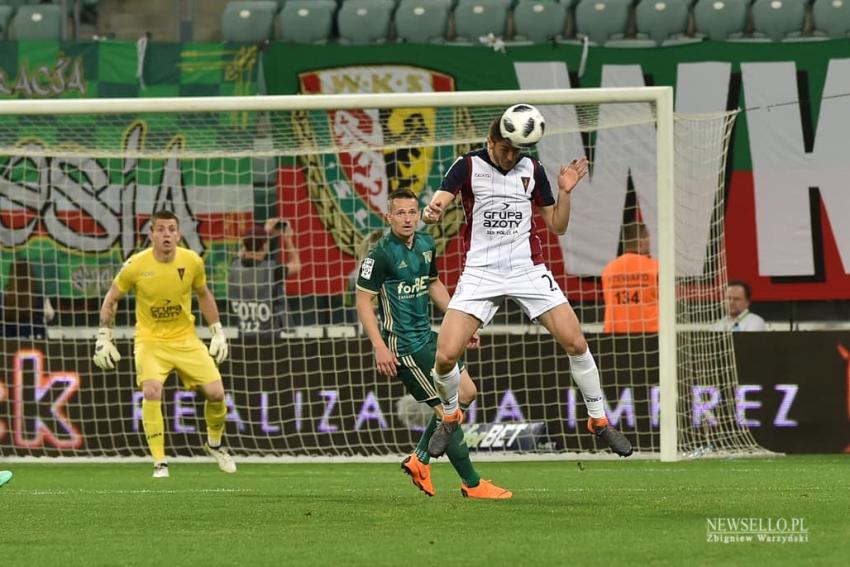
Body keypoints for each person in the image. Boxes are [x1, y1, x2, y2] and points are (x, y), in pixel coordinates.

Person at [421, 108, 633, 458]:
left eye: (516, 150)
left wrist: (566, 192)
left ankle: (598, 419)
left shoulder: (531, 169)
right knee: (444, 358)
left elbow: (558, 226)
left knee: (576, 341)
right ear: (491, 141)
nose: (511, 156)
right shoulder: (467, 165)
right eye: (506, 149)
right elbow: (440, 199)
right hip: (481, 271)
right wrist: (433, 210)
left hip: (527, 269)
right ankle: (450, 414)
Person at [356, 189, 512, 499]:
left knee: (467, 392)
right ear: (388, 217)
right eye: (400, 213)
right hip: (405, 347)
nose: (407, 218)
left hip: (429, 337)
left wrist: (462, 322)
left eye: (412, 212)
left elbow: (434, 285)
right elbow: (363, 302)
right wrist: (378, 345)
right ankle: (472, 483)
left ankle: (420, 459)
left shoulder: (427, 244)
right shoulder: (380, 255)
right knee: (447, 412)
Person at [92, 209, 236, 478]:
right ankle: (160, 462)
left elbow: (203, 294)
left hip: (185, 339)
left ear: (179, 234)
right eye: (160, 229)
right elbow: (111, 298)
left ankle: (215, 445)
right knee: (151, 391)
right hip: (151, 341)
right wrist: (104, 335)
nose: (166, 234)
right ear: (151, 235)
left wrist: (217, 331)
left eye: (171, 229)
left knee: (216, 393)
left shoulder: (192, 261)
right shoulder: (135, 265)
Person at [228, 217, 301, 334]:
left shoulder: (235, 267)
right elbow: (296, 265)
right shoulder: (272, 270)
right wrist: (288, 239)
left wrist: (263, 234)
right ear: (265, 246)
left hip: (243, 337)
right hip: (269, 339)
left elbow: (242, 253)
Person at [601, 222, 659, 333]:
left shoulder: (608, 270)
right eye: (648, 239)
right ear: (641, 242)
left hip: (615, 336)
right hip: (651, 336)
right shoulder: (655, 267)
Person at [0, 260, 54, 339]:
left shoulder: (3, 298)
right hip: (35, 340)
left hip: (8, 341)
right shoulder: (40, 298)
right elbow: (50, 315)